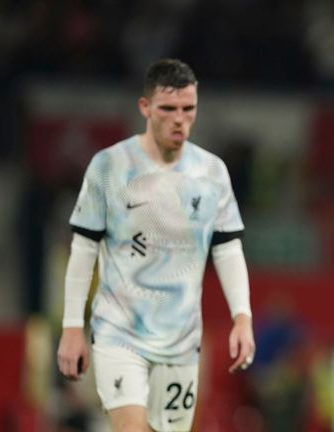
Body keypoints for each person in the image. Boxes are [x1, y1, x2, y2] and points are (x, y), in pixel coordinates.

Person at [56, 59, 255, 432]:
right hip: (119, 333)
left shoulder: (212, 173)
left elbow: (227, 249)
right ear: (145, 108)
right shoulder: (109, 166)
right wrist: (71, 327)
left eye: (188, 109)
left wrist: (242, 318)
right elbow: (83, 249)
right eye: (168, 109)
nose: (179, 119)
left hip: (181, 338)